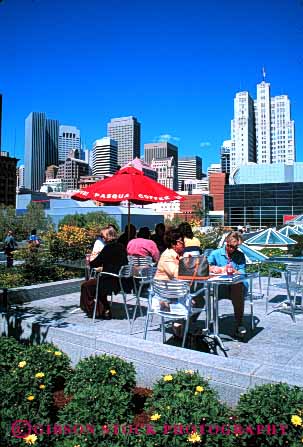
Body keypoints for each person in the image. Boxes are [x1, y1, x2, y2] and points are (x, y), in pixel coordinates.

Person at [80, 228, 131, 319]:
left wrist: (93, 257)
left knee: (86, 286)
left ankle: (92, 310)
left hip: (110, 281)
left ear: (108, 237)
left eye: (102, 236)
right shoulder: (121, 246)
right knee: (97, 284)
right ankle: (104, 310)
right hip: (121, 280)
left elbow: (94, 264)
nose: (102, 239)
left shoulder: (108, 248)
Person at [207, 231, 247, 338]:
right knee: (200, 290)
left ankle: (239, 323)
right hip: (219, 286)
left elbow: (243, 273)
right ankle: (196, 322)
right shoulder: (216, 253)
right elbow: (205, 265)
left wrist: (234, 270)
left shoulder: (240, 256)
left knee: (238, 287)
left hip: (235, 286)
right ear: (226, 243)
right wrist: (213, 268)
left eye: (234, 247)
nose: (231, 249)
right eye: (229, 246)